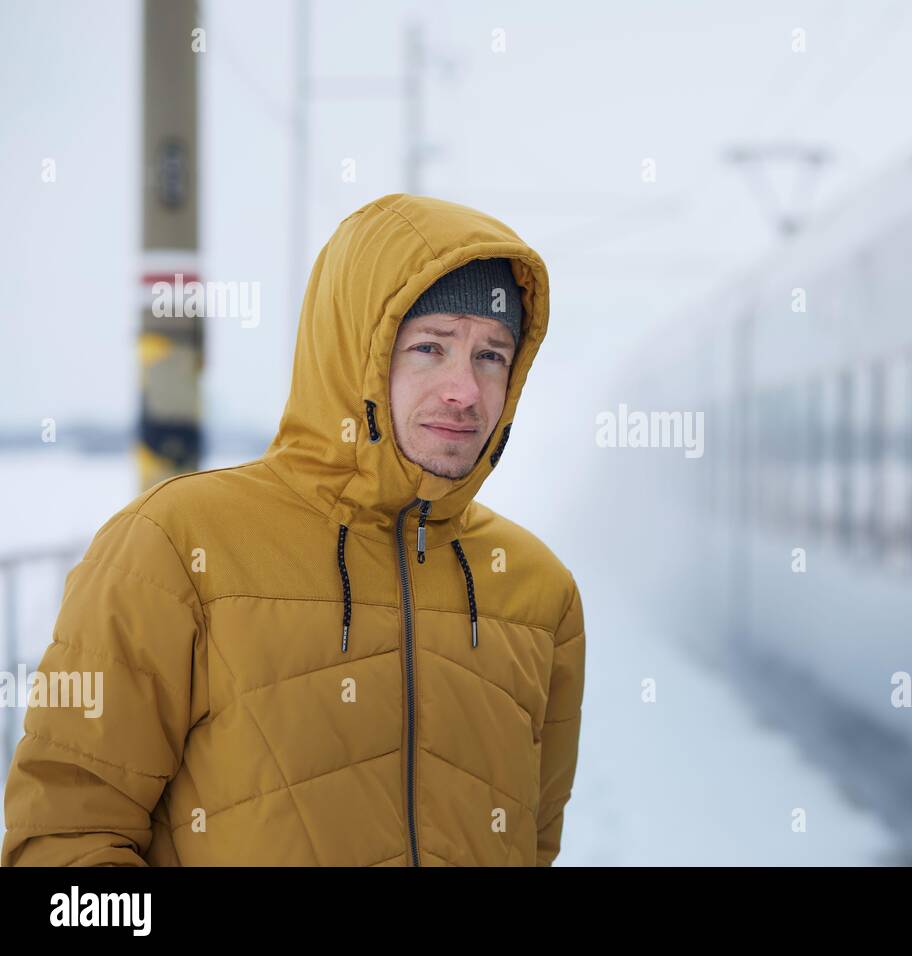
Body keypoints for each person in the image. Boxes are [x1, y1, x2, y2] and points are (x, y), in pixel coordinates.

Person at [1, 194, 586, 867]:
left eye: (491, 356)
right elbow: (66, 840)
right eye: (431, 347)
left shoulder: (541, 592)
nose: (465, 391)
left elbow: (533, 845)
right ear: (354, 355)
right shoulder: (174, 546)